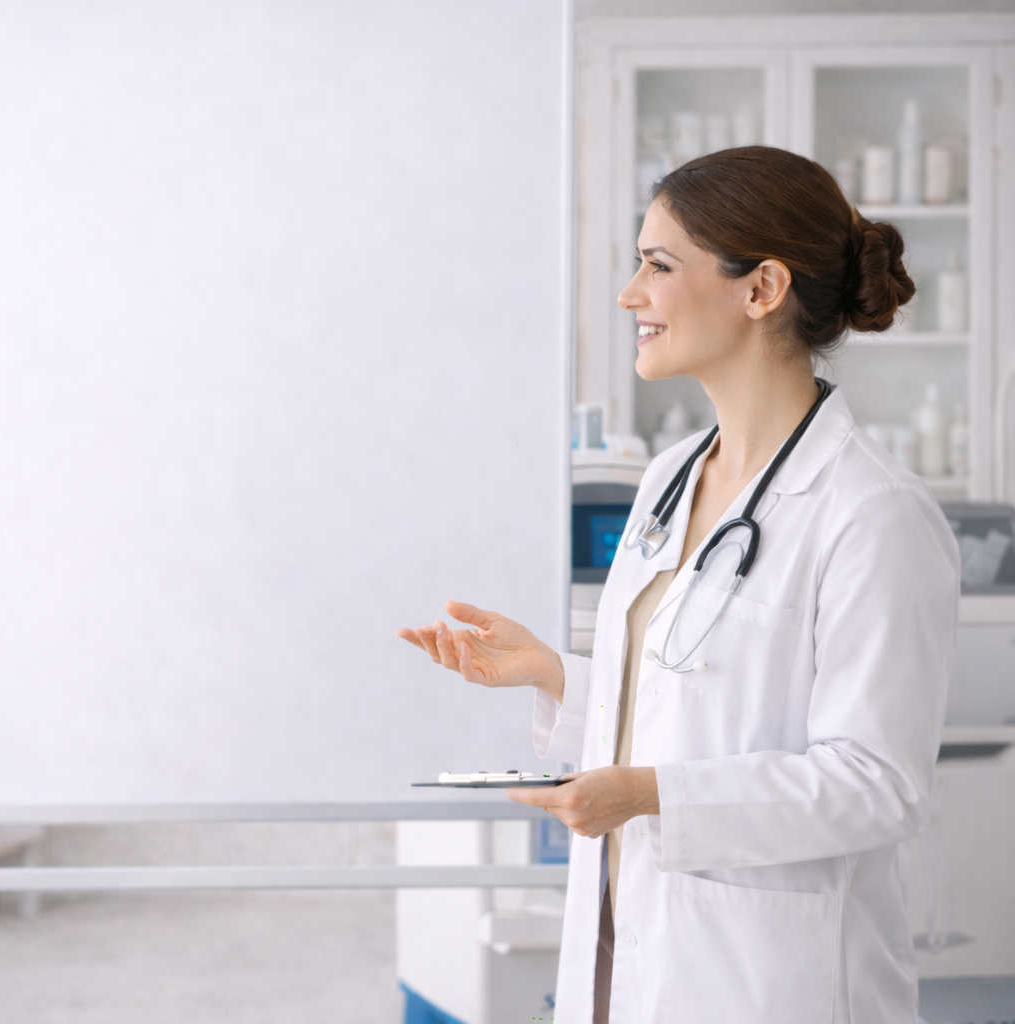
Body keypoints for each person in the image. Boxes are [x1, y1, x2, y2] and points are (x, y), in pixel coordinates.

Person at [399, 147, 959, 1023]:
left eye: (658, 266)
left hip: (773, 980)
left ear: (760, 288)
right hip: (632, 949)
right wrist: (554, 674)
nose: (631, 293)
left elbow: (878, 784)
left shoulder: (872, 512)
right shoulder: (671, 474)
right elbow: (687, 707)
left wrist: (651, 795)